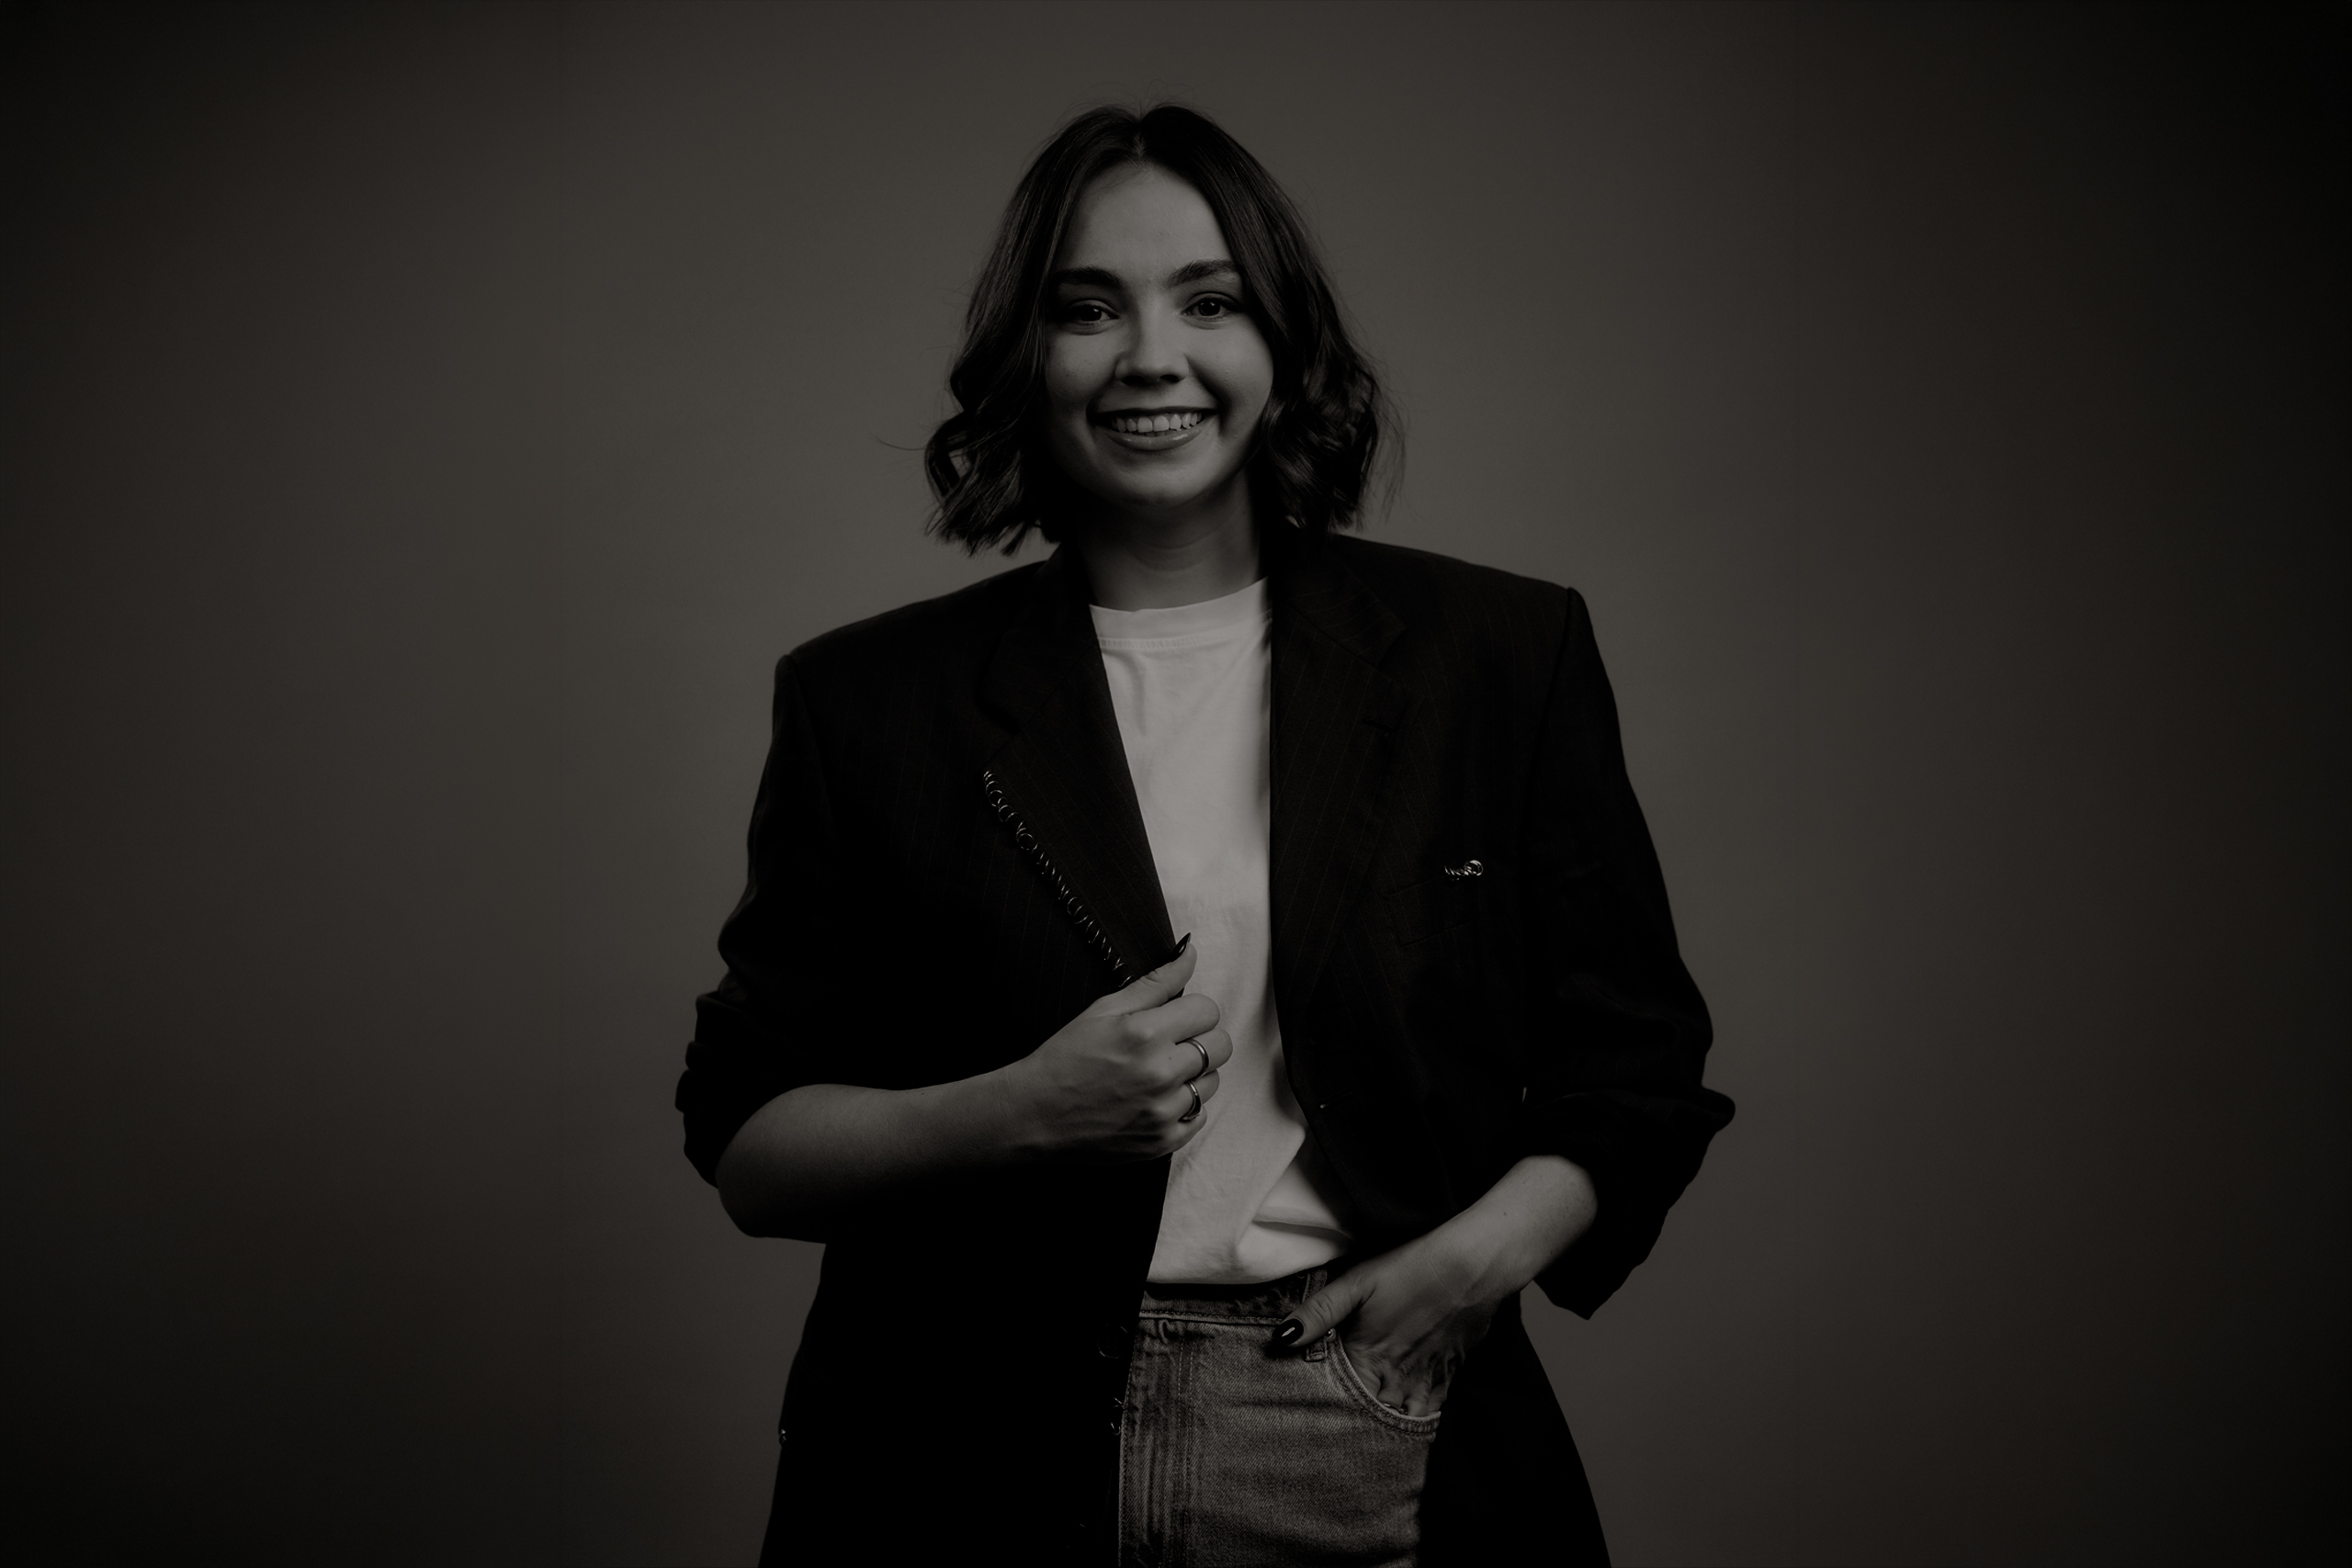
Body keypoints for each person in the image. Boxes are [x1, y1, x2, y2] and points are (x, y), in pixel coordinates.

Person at [678, 103, 1733, 1568]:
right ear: (1028, 357)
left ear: (1282, 343)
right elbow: (747, 1144)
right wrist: (1021, 1111)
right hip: (959, 1438)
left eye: (1211, 301)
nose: (1151, 356)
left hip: (1357, 1412)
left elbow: (1637, 1071)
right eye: (1088, 308)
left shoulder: (1497, 655)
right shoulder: (868, 700)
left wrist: (1468, 1267)